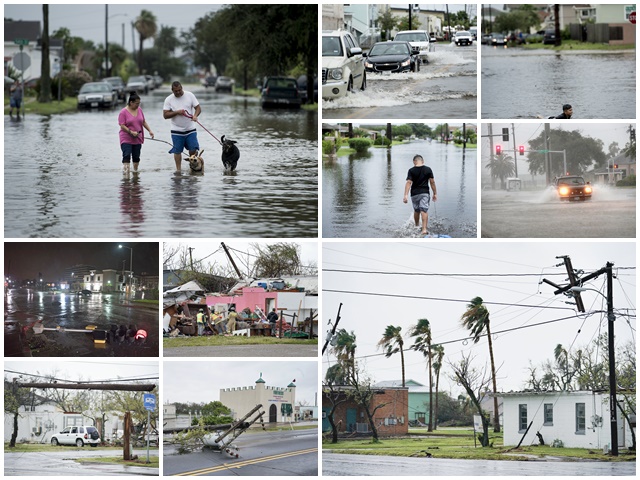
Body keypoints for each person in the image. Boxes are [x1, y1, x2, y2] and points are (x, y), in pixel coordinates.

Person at [163, 81, 201, 171]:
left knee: (193, 148)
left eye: (179, 90)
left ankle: (192, 167)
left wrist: (195, 116)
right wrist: (177, 112)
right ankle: (178, 170)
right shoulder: (168, 99)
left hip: (190, 129)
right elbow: (165, 115)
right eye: (176, 91)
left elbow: (198, 108)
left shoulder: (190, 95)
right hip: (176, 130)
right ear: (172, 90)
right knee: (177, 151)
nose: (178, 92)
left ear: (182, 88)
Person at [118, 92, 154, 172]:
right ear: (131, 102)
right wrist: (131, 132)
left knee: (136, 157)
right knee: (126, 155)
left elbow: (143, 121)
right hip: (126, 138)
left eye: (139, 103)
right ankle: (126, 175)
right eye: (137, 103)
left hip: (138, 137)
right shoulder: (123, 112)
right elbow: (122, 125)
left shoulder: (139, 110)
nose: (138, 105)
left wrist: (150, 130)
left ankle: (135, 173)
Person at [403, 154, 437, 236]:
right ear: (423, 161)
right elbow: (432, 182)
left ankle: (417, 226)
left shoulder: (411, 170)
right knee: (424, 210)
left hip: (414, 194)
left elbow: (409, 182)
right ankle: (424, 229)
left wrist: (405, 195)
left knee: (417, 210)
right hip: (425, 193)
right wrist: (435, 193)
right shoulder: (428, 169)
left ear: (414, 162)